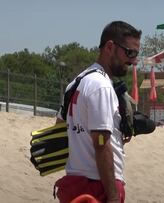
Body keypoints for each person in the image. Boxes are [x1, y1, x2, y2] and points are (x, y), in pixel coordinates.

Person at [54, 21, 141, 203]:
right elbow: (101, 143)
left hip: (73, 182)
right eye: (130, 53)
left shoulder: (77, 82)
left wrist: (116, 130)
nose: (133, 61)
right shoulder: (101, 86)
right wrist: (113, 196)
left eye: (136, 54)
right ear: (110, 47)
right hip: (97, 187)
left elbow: (60, 129)